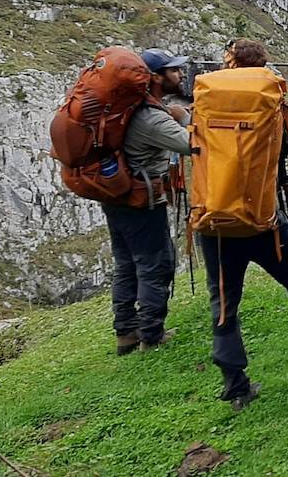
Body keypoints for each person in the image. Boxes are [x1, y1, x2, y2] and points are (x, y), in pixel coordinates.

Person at [198, 40, 288, 411]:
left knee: (224, 305)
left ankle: (236, 390)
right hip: (264, 220)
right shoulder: (271, 101)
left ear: (230, 64)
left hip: (214, 221)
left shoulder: (205, 102)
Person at [105, 48, 192, 356]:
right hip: (142, 199)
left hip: (116, 196)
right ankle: (152, 335)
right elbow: (192, 146)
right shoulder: (152, 118)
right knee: (156, 263)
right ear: (156, 77)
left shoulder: (130, 107)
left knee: (127, 264)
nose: (180, 75)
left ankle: (126, 333)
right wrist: (185, 119)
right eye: (173, 71)